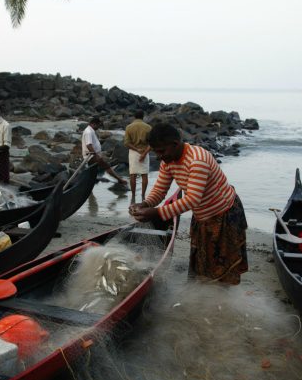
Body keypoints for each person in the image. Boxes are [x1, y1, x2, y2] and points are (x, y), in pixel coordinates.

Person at [129, 123, 248, 284]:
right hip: (202, 215)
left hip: (224, 213)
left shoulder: (197, 160)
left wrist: (156, 213)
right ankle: (207, 292)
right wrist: (144, 204)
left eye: (161, 151)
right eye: (155, 151)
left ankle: (221, 298)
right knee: (203, 263)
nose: (158, 156)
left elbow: (192, 199)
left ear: (175, 144)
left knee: (222, 264)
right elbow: (160, 190)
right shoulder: (168, 160)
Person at [82, 116, 127, 185]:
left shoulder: (90, 130)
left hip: (92, 155)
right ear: (93, 124)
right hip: (91, 156)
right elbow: (89, 145)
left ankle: (89, 185)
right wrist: (96, 155)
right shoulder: (88, 132)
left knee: (92, 172)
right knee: (106, 166)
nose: (98, 127)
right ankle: (120, 180)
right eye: (98, 125)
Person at [124, 110, 152, 203]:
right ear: (143, 117)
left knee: (133, 175)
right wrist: (143, 154)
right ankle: (143, 195)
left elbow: (127, 143)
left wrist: (136, 149)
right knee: (144, 175)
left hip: (133, 152)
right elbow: (151, 143)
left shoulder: (129, 127)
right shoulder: (148, 127)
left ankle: (133, 196)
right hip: (145, 151)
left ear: (134, 117)